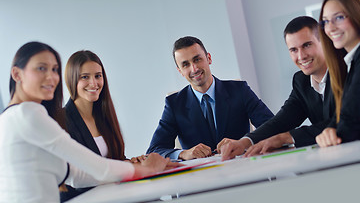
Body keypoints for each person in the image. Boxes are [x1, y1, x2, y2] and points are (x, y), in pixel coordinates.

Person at [0, 42, 178, 203]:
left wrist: (135, 165)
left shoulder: (12, 116)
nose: (51, 77)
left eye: (54, 69)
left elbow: (76, 175)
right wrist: (148, 169)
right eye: (41, 68)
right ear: (17, 74)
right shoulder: (28, 114)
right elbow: (98, 168)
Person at [219, 16, 335, 160]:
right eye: (293, 50)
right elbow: (282, 120)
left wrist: (286, 137)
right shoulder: (301, 81)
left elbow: (345, 120)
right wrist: (246, 141)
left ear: (324, 42)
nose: (301, 56)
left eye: (307, 45)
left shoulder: (348, 71)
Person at [146, 36, 274, 160]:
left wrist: (244, 142)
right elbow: (154, 150)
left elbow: (273, 128)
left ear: (209, 58)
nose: (194, 69)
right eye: (185, 65)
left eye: (197, 59)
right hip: (203, 178)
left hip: (245, 171)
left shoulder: (239, 90)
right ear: (180, 71)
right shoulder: (174, 104)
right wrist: (183, 154)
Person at [61, 50, 141, 201]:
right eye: (85, 77)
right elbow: (75, 178)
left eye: (98, 76)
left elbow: (114, 160)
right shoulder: (62, 120)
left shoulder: (103, 115)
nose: (94, 83)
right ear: (72, 80)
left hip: (113, 195)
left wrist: (131, 162)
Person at [316, 0, 360, 147]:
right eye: (326, 21)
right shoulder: (351, 63)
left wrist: (334, 132)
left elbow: (351, 126)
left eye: (339, 17)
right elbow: (341, 117)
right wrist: (329, 130)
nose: (331, 28)